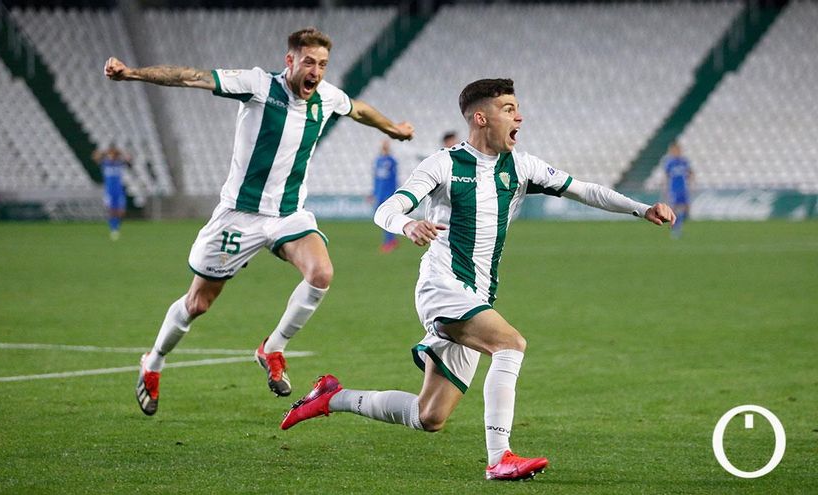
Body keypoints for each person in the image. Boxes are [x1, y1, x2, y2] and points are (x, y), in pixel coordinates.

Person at [279, 79, 675, 481]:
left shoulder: (522, 166)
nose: (518, 116)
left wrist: (641, 209)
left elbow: (584, 190)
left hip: (477, 294)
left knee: (428, 415)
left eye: (517, 107)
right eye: (508, 108)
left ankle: (333, 397)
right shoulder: (444, 164)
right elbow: (387, 208)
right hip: (442, 286)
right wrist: (407, 225)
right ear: (481, 118)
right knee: (510, 344)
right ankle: (499, 457)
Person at [104, 27, 414, 415]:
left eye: (322, 64)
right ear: (290, 61)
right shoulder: (257, 85)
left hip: (288, 214)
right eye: (308, 62)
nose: (315, 71)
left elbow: (361, 109)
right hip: (239, 215)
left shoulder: (327, 97)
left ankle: (273, 348)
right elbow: (190, 77)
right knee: (198, 303)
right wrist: (132, 73)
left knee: (321, 274)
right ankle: (153, 362)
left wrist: (394, 129)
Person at [92, 145, 130, 240]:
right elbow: (95, 156)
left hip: (119, 190)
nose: (112, 156)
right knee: (112, 211)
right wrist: (105, 152)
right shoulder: (105, 163)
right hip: (109, 191)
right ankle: (114, 229)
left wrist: (120, 152)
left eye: (113, 154)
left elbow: (129, 158)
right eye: (111, 154)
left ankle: (116, 226)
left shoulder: (119, 163)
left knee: (121, 211)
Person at [371, 139, 399, 252]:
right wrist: (373, 193)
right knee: (380, 217)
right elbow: (376, 179)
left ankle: (390, 241)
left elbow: (394, 178)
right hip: (379, 193)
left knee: (387, 216)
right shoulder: (378, 161)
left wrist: (393, 193)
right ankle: (391, 239)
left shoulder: (392, 161)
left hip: (388, 192)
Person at [662, 141, 693, 238]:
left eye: (677, 150)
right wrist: (665, 189)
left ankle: (678, 225)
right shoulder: (670, 163)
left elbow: (690, 173)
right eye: (674, 150)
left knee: (686, 208)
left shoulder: (684, 161)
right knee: (674, 208)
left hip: (683, 188)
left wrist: (691, 182)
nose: (676, 152)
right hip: (674, 189)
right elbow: (666, 176)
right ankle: (675, 229)